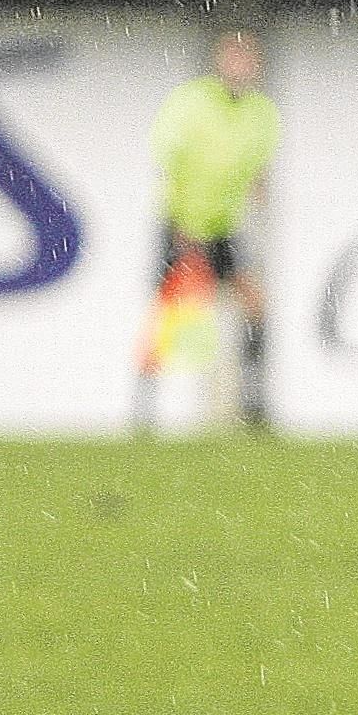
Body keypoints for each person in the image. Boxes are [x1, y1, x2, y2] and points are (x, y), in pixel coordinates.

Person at [138, 24, 278, 431]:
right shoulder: (192, 102)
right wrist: (180, 222)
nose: (240, 67)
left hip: (224, 229)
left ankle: (254, 408)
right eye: (233, 59)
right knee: (171, 316)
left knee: (254, 306)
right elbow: (168, 160)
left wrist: (254, 194)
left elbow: (257, 172)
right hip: (182, 224)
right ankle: (147, 412)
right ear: (220, 63)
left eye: (247, 60)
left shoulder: (262, 114)